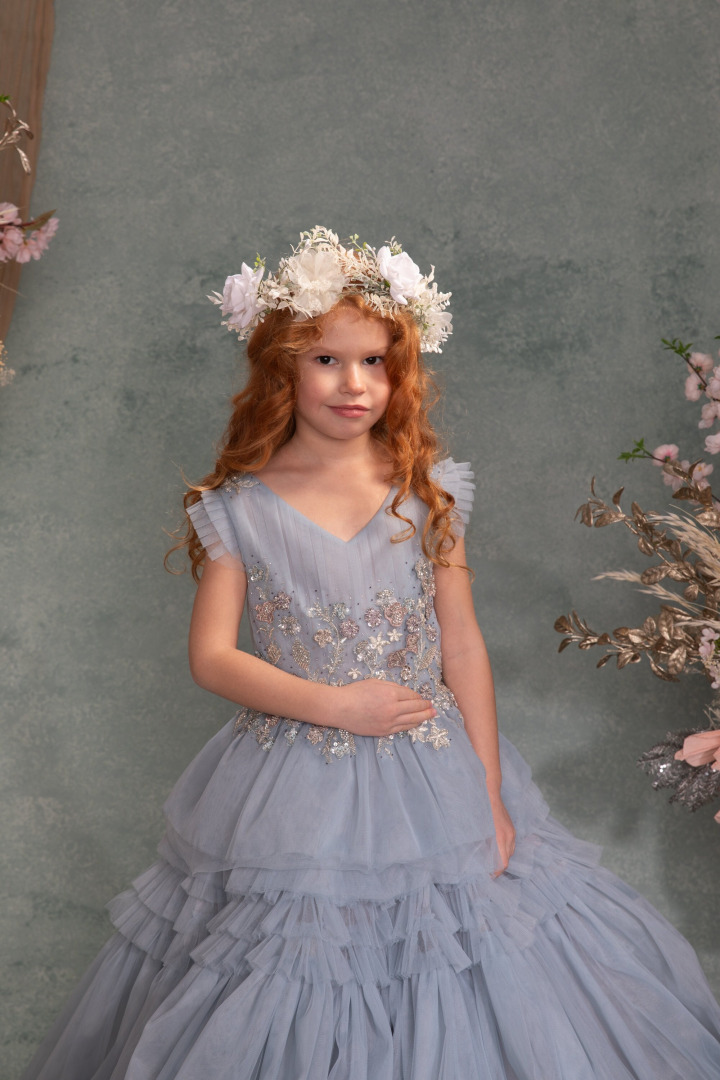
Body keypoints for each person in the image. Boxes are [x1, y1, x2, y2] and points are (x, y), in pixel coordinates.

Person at [21, 227, 720, 1080]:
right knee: (298, 956)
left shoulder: (426, 491)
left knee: (461, 950)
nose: (354, 383)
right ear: (281, 369)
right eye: (327, 361)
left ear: (400, 373)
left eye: (375, 363)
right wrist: (336, 705)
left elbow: (462, 643)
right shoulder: (239, 505)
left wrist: (490, 795)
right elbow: (211, 657)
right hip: (292, 783)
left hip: (432, 771)